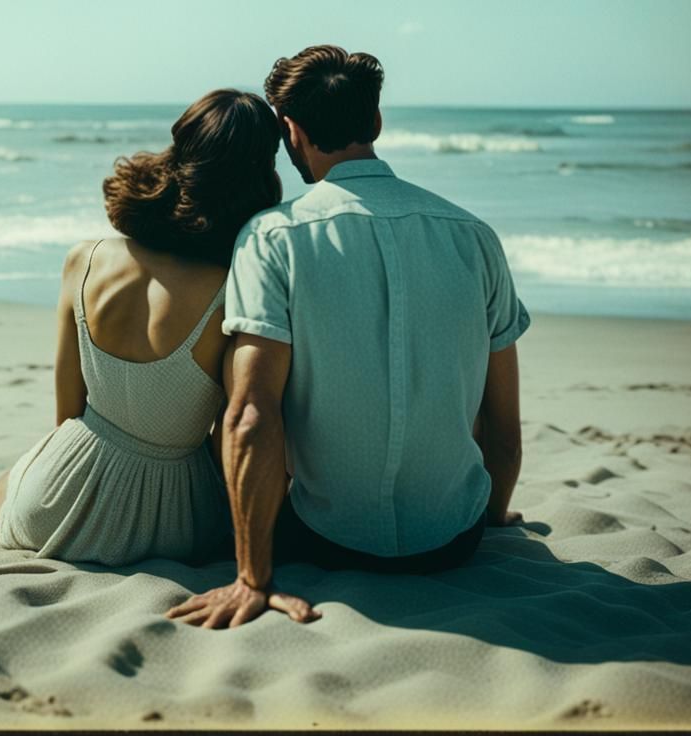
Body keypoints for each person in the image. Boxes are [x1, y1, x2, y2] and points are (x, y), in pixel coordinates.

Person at [167, 45, 530, 629]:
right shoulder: (474, 236)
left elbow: (251, 415)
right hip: (455, 542)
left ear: (290, 132)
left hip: (327, 540)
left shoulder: (273, 237)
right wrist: (490, 518)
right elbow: (504, 430)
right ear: (377, 123)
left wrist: (250, 579)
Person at [0, 89, 283, 566]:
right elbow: (224, 437)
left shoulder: (84, 260)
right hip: (181, 528)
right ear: (257, 172)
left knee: (16, 480)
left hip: (49, 511)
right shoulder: (235, 287)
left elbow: (67, 416)